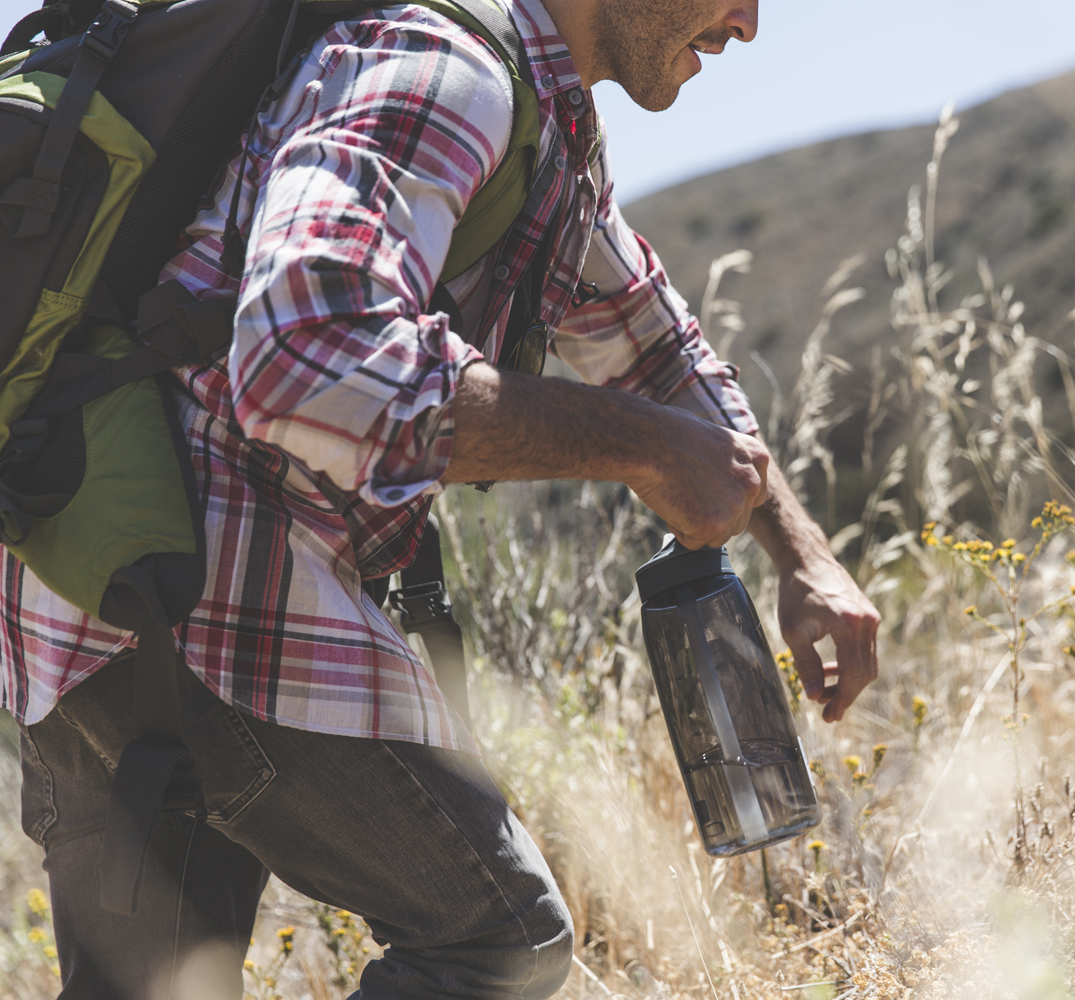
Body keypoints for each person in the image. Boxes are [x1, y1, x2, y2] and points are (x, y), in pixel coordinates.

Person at [0, 0, 881, 997]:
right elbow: (300, 356)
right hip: (216, 591)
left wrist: (802, 554)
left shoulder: (541, 121)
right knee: (499, 945)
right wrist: (646, 449)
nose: (748, 24)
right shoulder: (443, 66)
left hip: (83, 583)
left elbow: (656, 347)